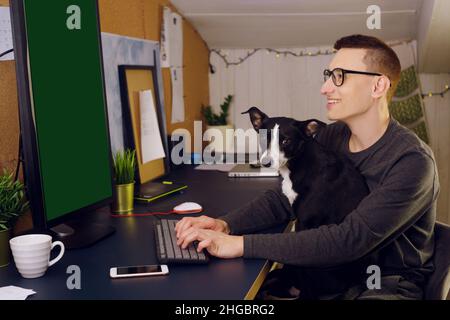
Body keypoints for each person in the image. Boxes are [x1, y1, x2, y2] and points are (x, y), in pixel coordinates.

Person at [175, 34, 439, 300]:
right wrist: (225, 225)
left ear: (378, 86)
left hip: (383, 285)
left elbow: (349, 240)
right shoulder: (331, 137)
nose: (325, 87)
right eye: (328, 75)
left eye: (339, 76)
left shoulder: (412, 161)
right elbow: (285, 198)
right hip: (329, 274)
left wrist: (241, 245)